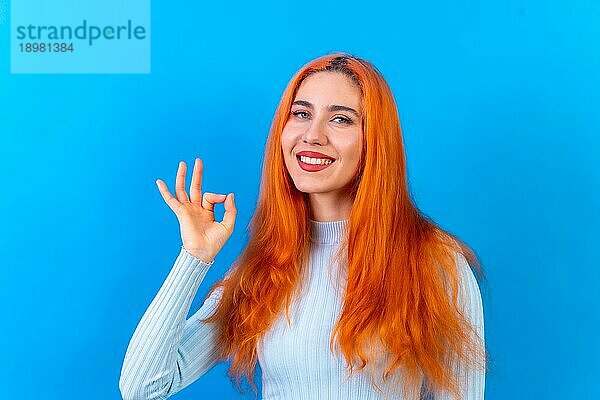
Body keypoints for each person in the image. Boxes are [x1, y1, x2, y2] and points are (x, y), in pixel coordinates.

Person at [119, 53, 489, 400]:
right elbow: (142, 386)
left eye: (341, 118)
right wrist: (193, 258)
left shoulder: (436, 263)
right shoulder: (264, 266)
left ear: (375, 141)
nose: (312, 135)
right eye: (300, 114)